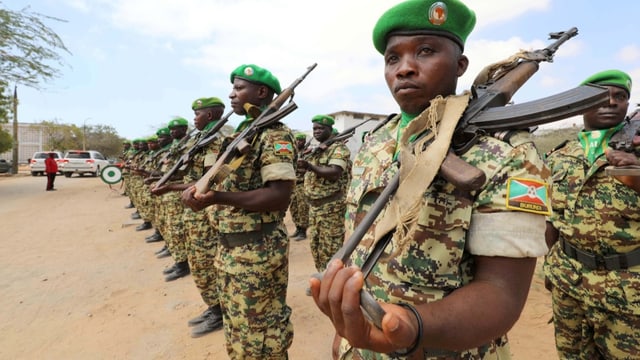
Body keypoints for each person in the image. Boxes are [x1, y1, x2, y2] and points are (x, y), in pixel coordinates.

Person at [309, 0, 551, 358]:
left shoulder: (506, 153)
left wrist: (412, 325)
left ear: (460, 64)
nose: (405, 68)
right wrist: (348, 336)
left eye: (425, 51)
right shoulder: (376, 143)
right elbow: (358, 246)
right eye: (393, 58)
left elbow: (501, 291)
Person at [182, 64, 296, 359]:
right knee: (239, 333)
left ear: (260, 92)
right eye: (232, 88)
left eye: (238, 88)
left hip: (258, 250)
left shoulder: (274, 135)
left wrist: (216, 197)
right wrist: (200, 189)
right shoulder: (247, 132)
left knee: (262, 338)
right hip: (232, 249)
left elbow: (279, 196)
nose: (231, 94)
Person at [543, 69, 640, 359]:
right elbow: (552, 218)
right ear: (580, 104)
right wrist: (553, 265)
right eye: (601, 96)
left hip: (630, 290)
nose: (611, 102)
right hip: (569, 282)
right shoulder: (561, 155)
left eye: (620, 97)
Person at [153, 97, 228, 337]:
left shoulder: (215, 143)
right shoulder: (199, 140)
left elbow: (207, 180)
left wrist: (170, 187)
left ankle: (220, 312)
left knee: (205, 263)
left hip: (205, 213)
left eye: (198, 113)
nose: (194, 118)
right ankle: (213, 306)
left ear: (210, 115)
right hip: (192, 211)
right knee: (198, 262)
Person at [297, 115, 350, 272]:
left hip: (331, 209)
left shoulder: (339, 149)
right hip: (315, 208)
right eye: (314, 129)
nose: (317, 131)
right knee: (316, 246)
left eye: (321, 128)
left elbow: (334, 172)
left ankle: (333, 281)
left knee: (331, 248)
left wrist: (310, 166)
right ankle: (323, 277)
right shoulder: (319, 150)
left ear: (330, 129)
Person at [289, 132, 310, 240]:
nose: (298, 142)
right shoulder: (292, 152)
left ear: (304, 141)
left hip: (302, 184)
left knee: (302, 209)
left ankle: (303, 231)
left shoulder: (308, 153)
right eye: (296, 140)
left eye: (300, 140)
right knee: (293, 208)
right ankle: (297, 228)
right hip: (292, 185)